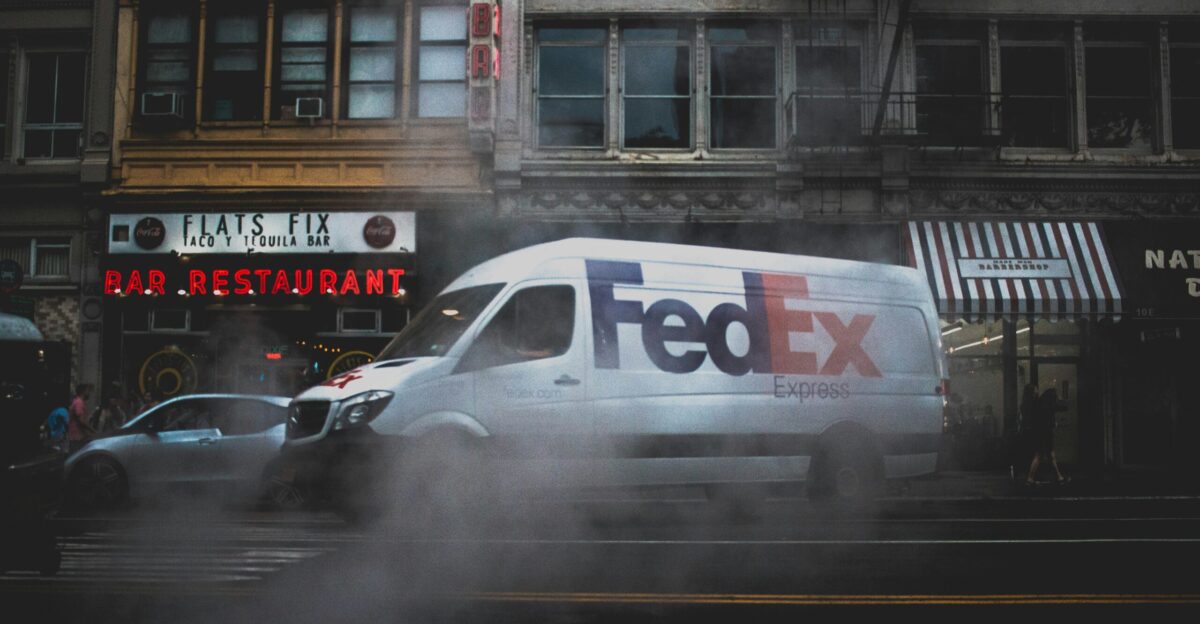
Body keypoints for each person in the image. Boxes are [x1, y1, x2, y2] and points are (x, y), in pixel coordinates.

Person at [1025, 384, 1069, 486]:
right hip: (1045, 433)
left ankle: (1059, 477)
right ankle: (1030, 479)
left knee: (1046, 455)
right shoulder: (1041, 404)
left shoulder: (1037, 403)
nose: (1038, 390)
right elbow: (1054, 411)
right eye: (1036, 389)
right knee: (1042, 455)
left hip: (1040, 433)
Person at [66, 384, 95, 454]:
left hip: (77, 436)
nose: (89, 393)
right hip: (77, 437)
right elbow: (81, 421)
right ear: (83, 392)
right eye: (88, 391)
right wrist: (93, 431)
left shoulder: (77, 401)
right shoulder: (79, 402)